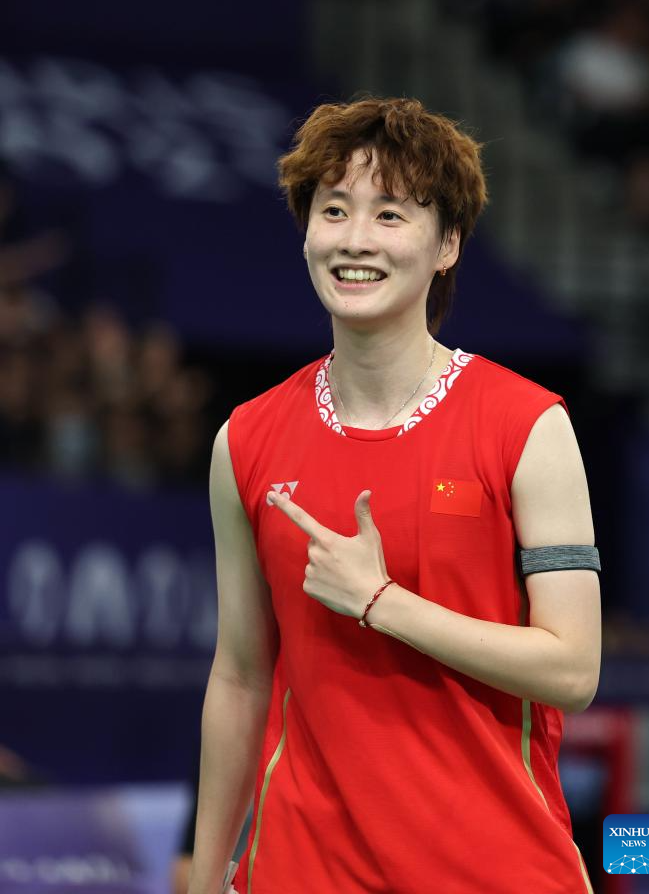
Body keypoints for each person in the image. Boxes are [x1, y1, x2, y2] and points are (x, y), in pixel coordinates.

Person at [188, 96, 602, 894]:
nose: (354, 239)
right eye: (333, 210)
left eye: (389, 214)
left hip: (491, 870)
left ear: (446, 245)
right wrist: (205, 880)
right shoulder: (244, 439)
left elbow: (572, 670)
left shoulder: (526, 426)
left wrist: (380, 602)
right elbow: (239, 676)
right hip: (300, 870)